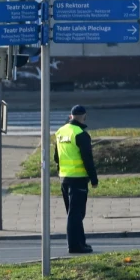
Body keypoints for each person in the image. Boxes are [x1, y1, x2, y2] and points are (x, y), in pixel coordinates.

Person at [54, 105, 98, 254]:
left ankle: (81, 243)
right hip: (78, 179)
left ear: (70, 116)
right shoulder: (81, 134)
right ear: (84, 116)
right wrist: (94, 178)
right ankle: (75, 246)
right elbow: (88, 159)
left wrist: (59, 172)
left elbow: (56, 157)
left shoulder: (60, 132)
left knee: (73, 214)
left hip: (64, 178)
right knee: (76, 214)